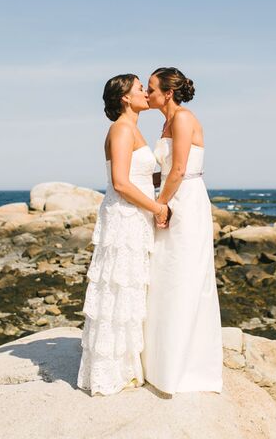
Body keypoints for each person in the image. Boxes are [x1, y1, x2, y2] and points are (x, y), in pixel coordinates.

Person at [77, 73, 170, 396]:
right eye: (140, 89)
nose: (146, 93)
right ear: (125, 98)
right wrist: (157, 209)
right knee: (119, 288)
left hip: (137, 215)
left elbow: (147, 174)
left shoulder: (135, 128)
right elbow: (120, 182)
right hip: (125, 216)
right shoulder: (120, 128)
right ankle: (111, 370)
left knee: (132, 288)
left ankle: (129, 365)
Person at [142, 66, 223, 395]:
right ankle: (160, 363)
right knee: (165, 275)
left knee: (186, 277)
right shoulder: (165, 121)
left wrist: (161, 205)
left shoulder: (184, 118)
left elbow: (178, 168)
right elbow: (163, 170)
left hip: (186, 201)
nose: (146, 95)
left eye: (150, 88)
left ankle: (186, 369)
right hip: (171, 197)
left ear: (167, 93)